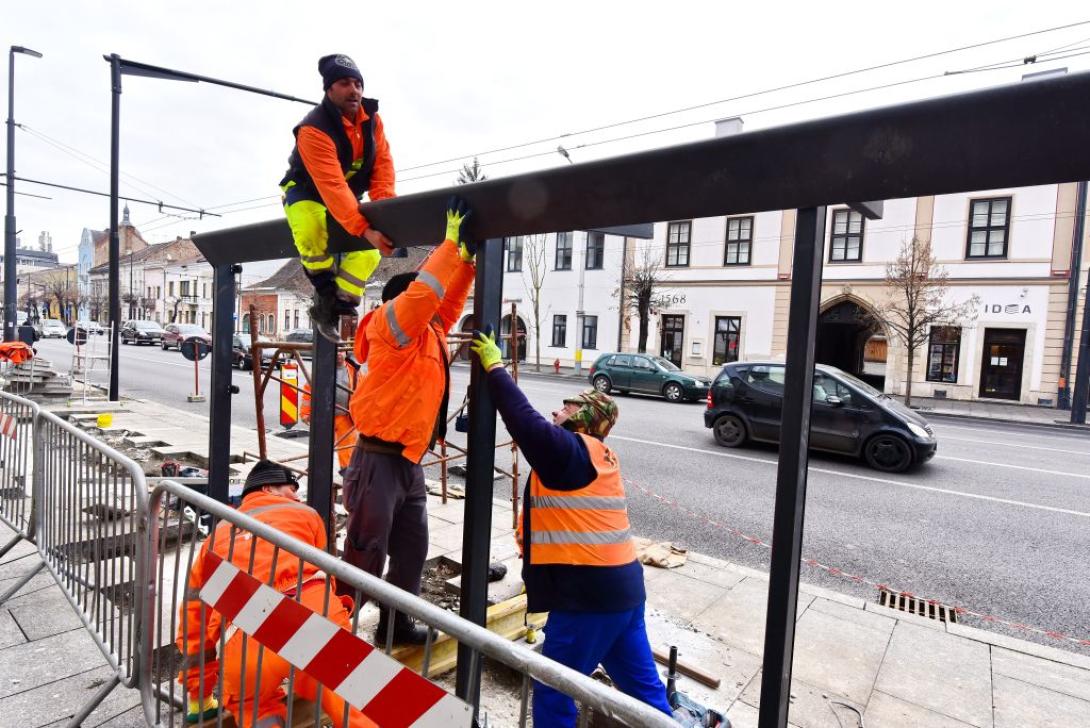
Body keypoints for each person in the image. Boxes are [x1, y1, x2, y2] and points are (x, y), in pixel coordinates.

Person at [469, 331, 674, 728]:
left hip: (587, 598)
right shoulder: (597, 454)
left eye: (567, 406)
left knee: (554, 688)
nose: (557, 411)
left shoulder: (571, 450)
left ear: (584, 417)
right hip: (624, 593)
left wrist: (495, 367)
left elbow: (523, 420)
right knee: (647, 699)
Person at [341, 197, 475, 645]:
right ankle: (335, 627)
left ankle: (395, 625)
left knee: (410, 551)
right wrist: (449, 245)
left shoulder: (426, 332)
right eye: (422, 295)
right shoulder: (389, 322)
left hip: (408, 463)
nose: (432, 304)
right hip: (377, 459)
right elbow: (428, 293)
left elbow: (447, 301)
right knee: (365, 554)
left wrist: (467, 263)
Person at [176, 460, 376, 728]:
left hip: (244, 639)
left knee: (253, 705)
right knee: (354, 702)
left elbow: (194, 621)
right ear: (269, 487)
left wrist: (198, 693)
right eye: (291, 488)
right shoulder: (306, 515)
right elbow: (324, 574)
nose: (297, 495)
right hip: (313, 622)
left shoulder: (214, 540)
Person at [280, 53, 396, 342]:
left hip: (347, 194)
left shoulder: (373, 121)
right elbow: (331, 186)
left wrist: (385, 212)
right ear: (329, 89)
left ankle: (340, 305)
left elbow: (382, 167)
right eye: (345, 83)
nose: (354, 90)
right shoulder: (313, 129)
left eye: (358, 83)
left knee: (368, 250)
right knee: (310, 229)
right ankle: (324, 292)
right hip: (307, 190)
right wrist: (364, 228)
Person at [300, 349, 359, 471]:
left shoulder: (353, 371)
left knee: (347, 449)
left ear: (346, 353)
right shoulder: (322, 370)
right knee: (322, 448)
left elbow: (361, 392)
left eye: (342, 351)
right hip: (325, 417)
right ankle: (319, 473)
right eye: (336, 350)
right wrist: (306, 413)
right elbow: (308, 392)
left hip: (346, 417)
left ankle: (346, 475)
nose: (338, 353)